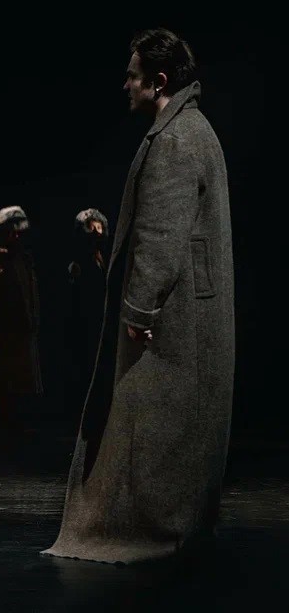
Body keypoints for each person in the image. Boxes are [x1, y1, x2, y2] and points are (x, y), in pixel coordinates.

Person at [42, 28, 234, 564]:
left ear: (159, 81)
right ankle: (176, 526)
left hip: (172, 317)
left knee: (148, 428)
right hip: (188, 311)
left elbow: (160, 235)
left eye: (132, 76)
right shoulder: (196, 129)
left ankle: (146, 528)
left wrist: (140, 308)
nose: (125, 85)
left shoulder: (174, 140)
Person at [0, 206, 43, 432]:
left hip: (25, 326)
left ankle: (21, 420)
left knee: (24, 378)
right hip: (7, 329)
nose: (16, 237)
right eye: (11, 232)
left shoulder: (24, 257)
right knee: (8, 378)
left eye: (18, 233)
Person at [63, 208, 109, 418]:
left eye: (99, 228)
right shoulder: (78, 262)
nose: (97, 233)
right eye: (92, 229)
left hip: (99, 320)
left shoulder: (100, 258)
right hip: (85, 324)